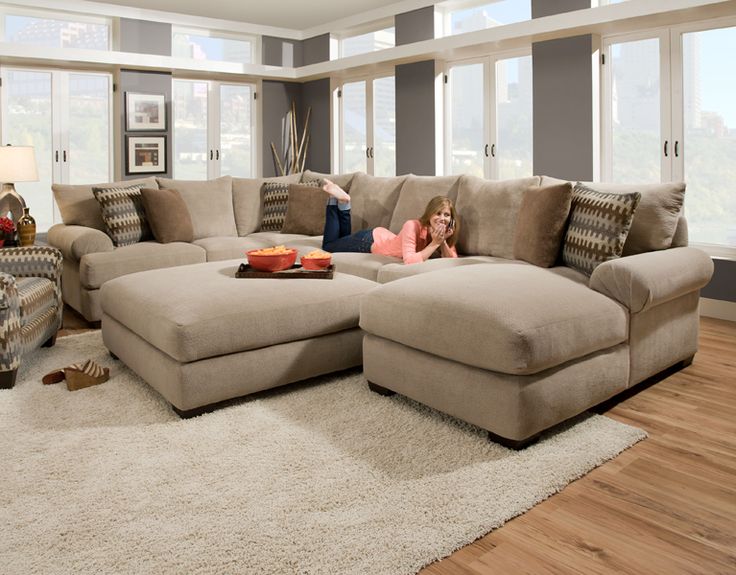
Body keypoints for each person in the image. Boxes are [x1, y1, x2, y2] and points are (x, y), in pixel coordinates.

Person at [320, 179, 460, 264]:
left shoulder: (443, 235)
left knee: (341, 239)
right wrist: (435, 243)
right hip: (369, 241)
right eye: (438, 213)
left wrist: (442, 242)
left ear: (451, 220)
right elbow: (410, 261)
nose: (442, 218)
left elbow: (452, 261)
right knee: (328, 246)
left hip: (383, 236)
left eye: (447, 215)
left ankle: (343, 203)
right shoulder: (412, 226)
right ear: (429, 214)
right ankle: (335, 201)